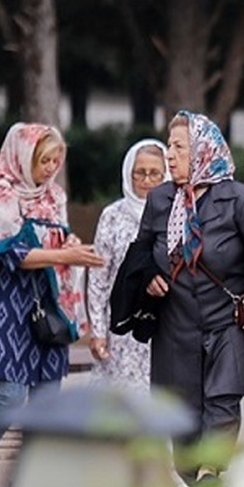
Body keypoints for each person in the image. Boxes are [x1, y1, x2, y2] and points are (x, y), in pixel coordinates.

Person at [135, 111, 244, 487]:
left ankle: (210, 472)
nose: (170, 155)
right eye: (169, 146)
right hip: (176, 322)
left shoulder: (239, 199)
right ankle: (195, 474)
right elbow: (143, 250)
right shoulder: (161, 199)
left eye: (179, 147)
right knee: (180, 408)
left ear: (202, 150)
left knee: (223, 397)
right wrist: (149, 276)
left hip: (229, 318)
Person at [0, 123, 105, 487]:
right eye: (44, 160)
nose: (51, 167)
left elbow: (57, 237)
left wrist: (72, 245)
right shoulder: (3, 194)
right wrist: (64, 255)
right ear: (24, 157)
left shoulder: (54, 195)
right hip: (10, 302)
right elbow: (7, 254)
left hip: (49, 300)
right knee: (10, 396)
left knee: (45, 398)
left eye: (57, 160)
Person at [86, 139, 169, 388]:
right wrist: (98, 330)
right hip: (122, 326)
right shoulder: (112, 216)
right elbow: (99, 279)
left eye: (155, 173)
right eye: (139, 173)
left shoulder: (176, 214)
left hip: (165, 324)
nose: (146, 180)